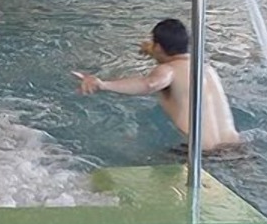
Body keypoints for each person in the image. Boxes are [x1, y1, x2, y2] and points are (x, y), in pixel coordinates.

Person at [74, 18, 241, 151]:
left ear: (159, 47)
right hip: (236, 149)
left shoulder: (168, 70)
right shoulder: (207, 69)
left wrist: (102, 84)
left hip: (200, 154)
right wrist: (152, 50)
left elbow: (150, 84)